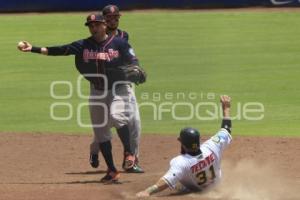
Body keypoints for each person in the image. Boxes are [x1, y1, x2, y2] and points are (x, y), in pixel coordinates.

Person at [18, 13, 146, 183]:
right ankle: (112, 170)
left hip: (119, 88)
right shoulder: (84, 45)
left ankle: (129, 153)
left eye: (97, 25)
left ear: (104, 26)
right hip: (97, 91)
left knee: (117, 117)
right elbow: (60, 50)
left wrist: (136, 68)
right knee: (101, 132)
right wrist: (32, 48)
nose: (94, 28)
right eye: (90, 25)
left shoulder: (119, 43)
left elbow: (132, 59)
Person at [136, 95, 232, 197]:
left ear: (183, 143)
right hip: (216, 185)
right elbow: (226, 129)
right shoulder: (212, 146)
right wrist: (226, 108)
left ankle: (187, 188)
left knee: (179, 176)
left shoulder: (180, 162)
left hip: (197, 190)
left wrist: (148, 191)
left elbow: (167, 180)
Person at [89, 4, 144, 173]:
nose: (114, 20)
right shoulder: (96, 38)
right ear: (103, 21)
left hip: (123, 85)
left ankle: (131, 159)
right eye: (110, 18)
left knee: (133, 122)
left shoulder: (123, 36)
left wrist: (135, 68)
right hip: (102, 87)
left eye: (116, 17)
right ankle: (94, 150)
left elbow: (126, 55)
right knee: (105, 125)